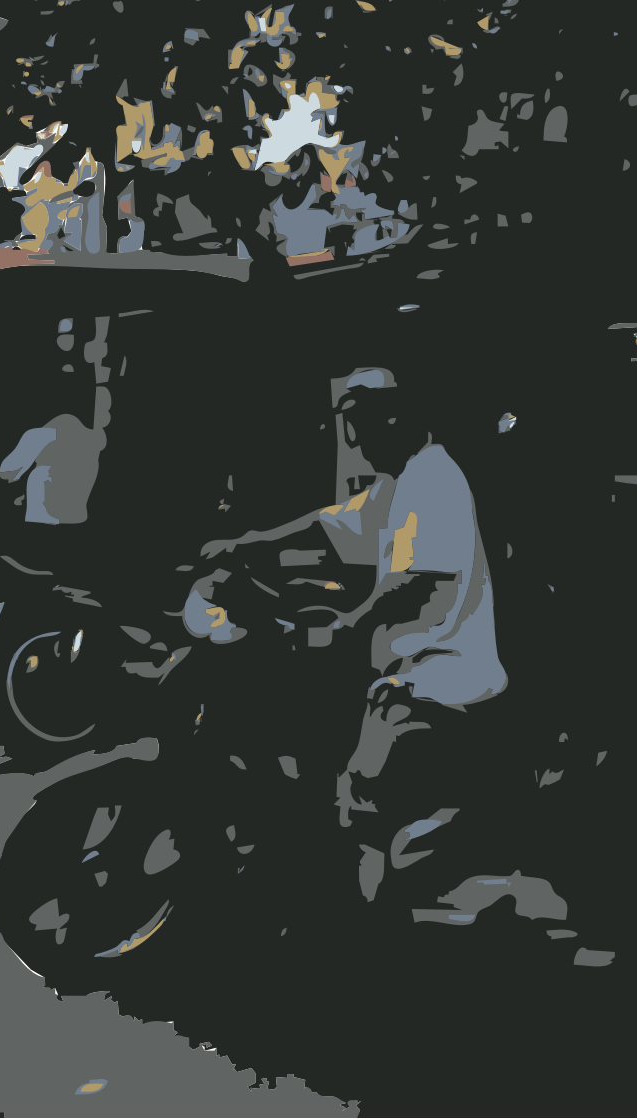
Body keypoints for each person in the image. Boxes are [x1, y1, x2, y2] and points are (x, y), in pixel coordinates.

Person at [197, 366, 503, 902]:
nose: (355, 439)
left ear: (395, 416)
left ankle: (363, 906)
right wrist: (248, 543)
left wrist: (349, 623)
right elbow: (328, 524)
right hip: (399, 659)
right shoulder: (394, 484)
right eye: (349, 423)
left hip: (441, 666)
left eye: (360, 421)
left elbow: (414, 583)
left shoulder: (433, 476)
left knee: (361, 793)